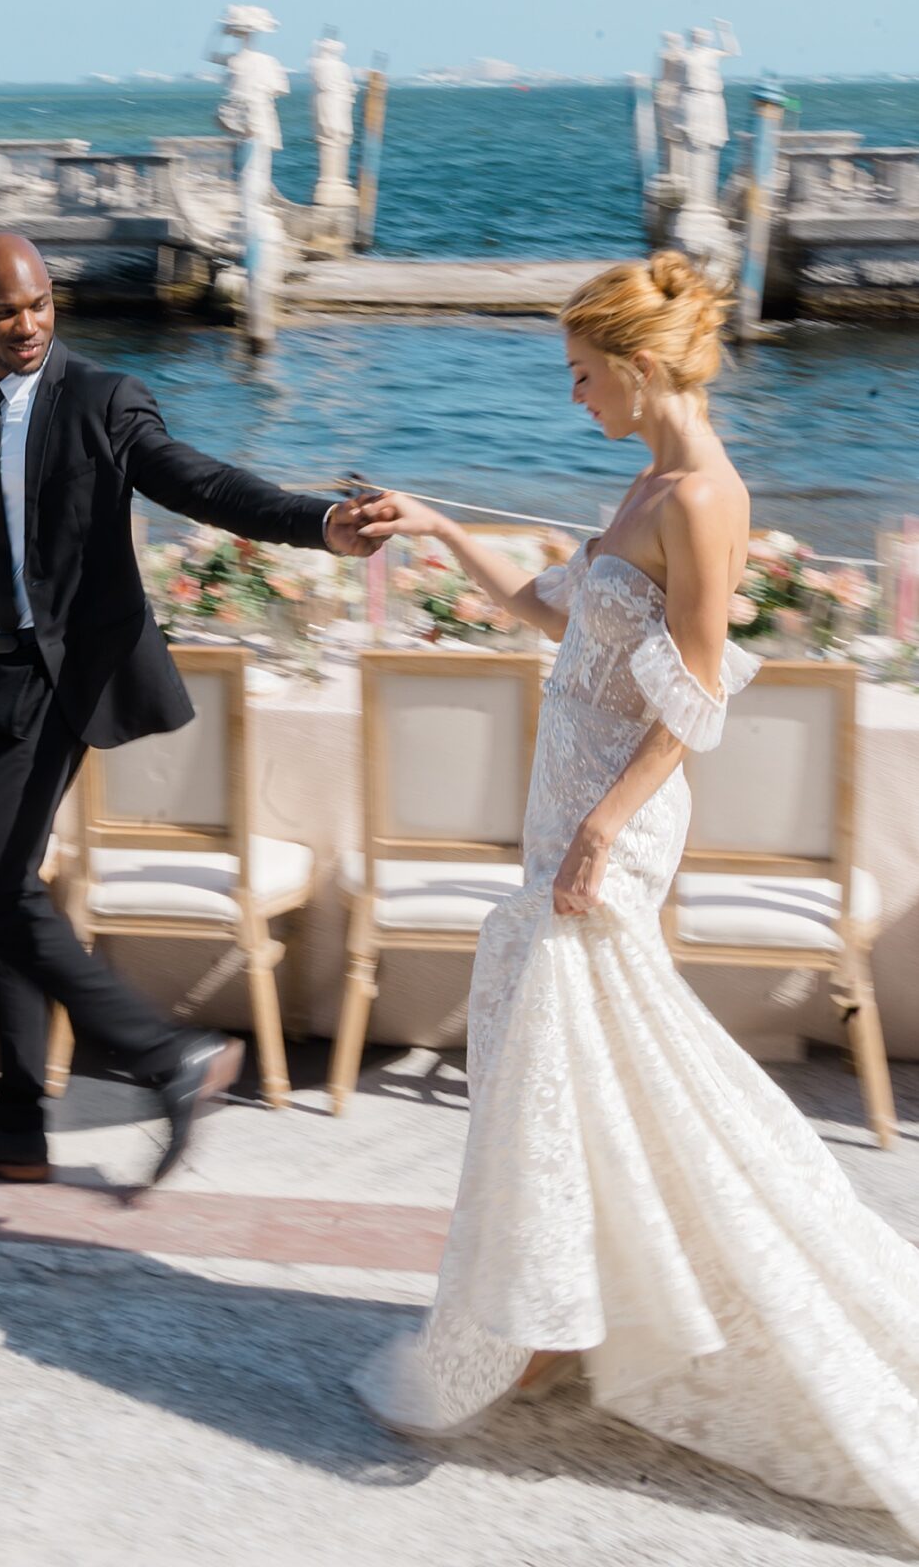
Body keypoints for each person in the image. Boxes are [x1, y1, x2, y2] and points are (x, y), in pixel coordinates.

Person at [350, 250, 919, 1539]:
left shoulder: (706, 496)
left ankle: (560, 1321)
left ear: (642, 366)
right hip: (574, 815)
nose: (573, 396)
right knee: (571, 1060)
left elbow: (701, 696)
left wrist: (603, 826)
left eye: (583, 373)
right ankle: (561, 1307)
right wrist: (437, 522)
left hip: (612, 823)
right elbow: (553, 614)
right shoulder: (647, 481)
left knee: (587, 1048)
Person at [0, 231, 381, 1189]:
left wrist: (317, 523)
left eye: (39, 305)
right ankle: (19, 1123)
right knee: (5, 895)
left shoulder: (101, 399)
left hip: (46, 680)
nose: (26, 326)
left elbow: (200, 482)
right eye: (5, 310)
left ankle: (166, 1057)